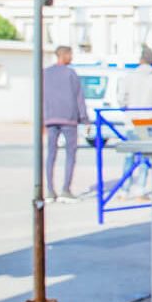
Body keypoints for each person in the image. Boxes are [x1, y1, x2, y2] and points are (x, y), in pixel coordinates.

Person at [115, 46, 152, 198]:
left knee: (129, 156)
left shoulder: (128, 78)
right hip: (150, 124)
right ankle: (140, 188)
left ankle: (124, 189)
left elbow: (121, 99)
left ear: (140, 60)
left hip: (132, 122)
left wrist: (128, 110)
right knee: (146, 157)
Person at [41, 45, 87, 202]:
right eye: (71, 54)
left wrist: (42, 119)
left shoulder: (45, 73)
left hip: (50, 117)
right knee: (70, 154)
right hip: (69, 118)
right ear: (64, 55)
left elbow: (40, 97)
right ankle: (65, 189)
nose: (72, 57)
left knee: (51, 154)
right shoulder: (70, 74)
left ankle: (49, 190)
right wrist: (85, 119)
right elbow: (79, 97)